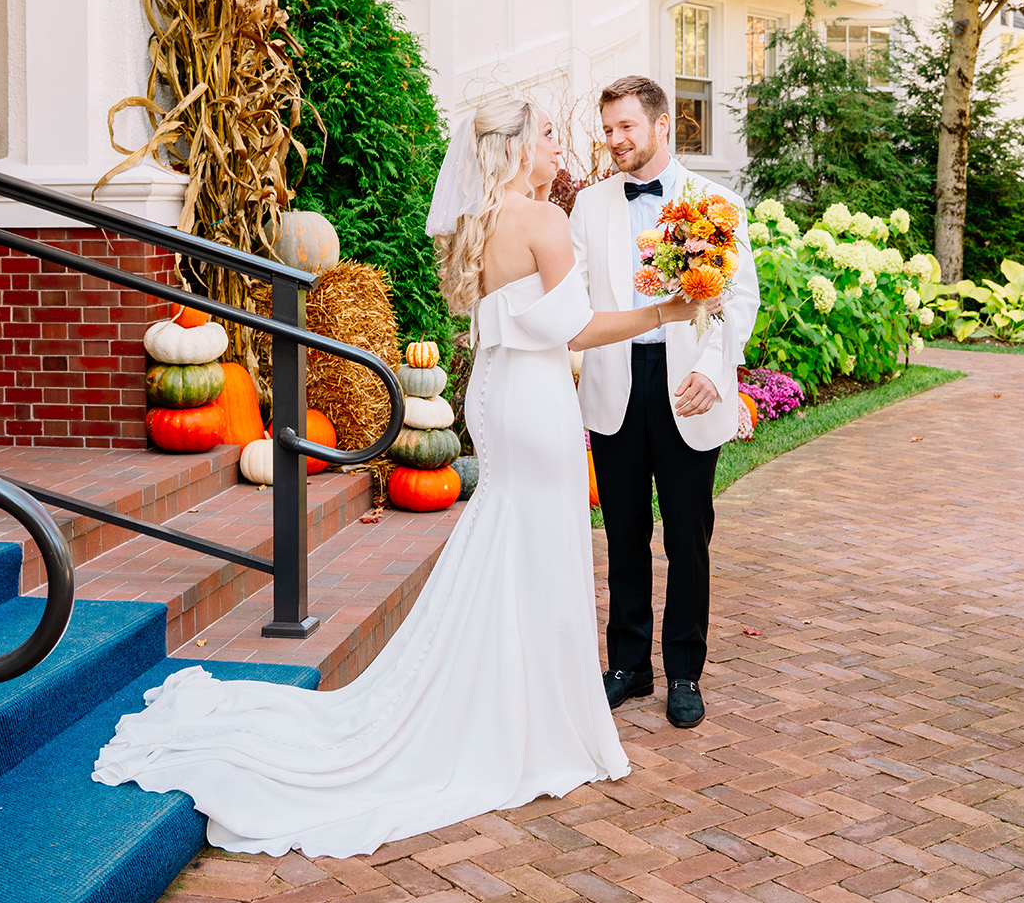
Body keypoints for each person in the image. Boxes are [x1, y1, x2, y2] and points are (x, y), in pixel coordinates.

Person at [91, 97, 715, 859]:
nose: (562, 146)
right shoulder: (545, 221)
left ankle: (515, 701)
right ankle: (538, 724)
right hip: (534, 401)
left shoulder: (480, 220)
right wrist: (667, 312)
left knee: (508, 537)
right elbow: (578, 329)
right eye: (550, 135)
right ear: (519, 149)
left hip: (492, 394)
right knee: (541, 545)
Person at [571, 76, 760, 729]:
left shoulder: (713, 201)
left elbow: (740, 299)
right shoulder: (588, 208)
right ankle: (627, 666)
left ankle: (684, 671)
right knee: (624, 537)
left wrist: (714, 367)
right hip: (613, 384)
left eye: (626, 127)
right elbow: (574, 302)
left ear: (661, 126)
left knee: (687, 536)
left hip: (688, 387)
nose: (616, 140)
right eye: (609, 129)